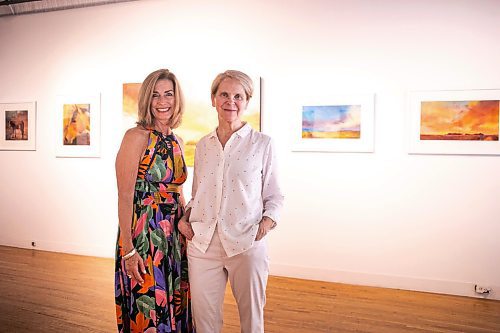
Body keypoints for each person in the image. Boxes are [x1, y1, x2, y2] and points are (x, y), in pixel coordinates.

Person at [179, 70, 284, 333]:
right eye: (224, 94)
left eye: (238, 96)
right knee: (205, 322)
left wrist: (267, 223)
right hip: (203, 245)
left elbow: (275, 195)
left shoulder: (262, 143)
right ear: (213, 98)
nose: (231, 101)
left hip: (246, 242)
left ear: (247, 102)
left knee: (251, 322)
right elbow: (199, 194)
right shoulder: (203, 145)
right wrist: (185, 218)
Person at [114, 69, 194, 332]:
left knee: (176, 301)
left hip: (174, 237)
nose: (163, 101)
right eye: (156, 95)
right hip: (145, 234)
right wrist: (128, 249)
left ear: (176, 98)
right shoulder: (136, 137)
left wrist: (185, 220)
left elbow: (178, 190)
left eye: (168, 94)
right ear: (147, 100)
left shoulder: (178, 140)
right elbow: (125, 196)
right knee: (148, 304)